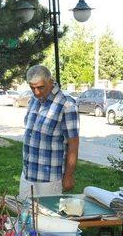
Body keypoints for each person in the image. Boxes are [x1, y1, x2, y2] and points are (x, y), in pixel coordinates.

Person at [19, 64, 79, 200]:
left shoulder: (67, 105)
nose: (36, 92)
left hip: (50, 178)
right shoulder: (33, 100)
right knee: (24, 216)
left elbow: (73, 143)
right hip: (28, 174)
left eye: (40, 87)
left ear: (51, 82)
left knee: (47, 219)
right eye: (32, 88)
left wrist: (69, 176)